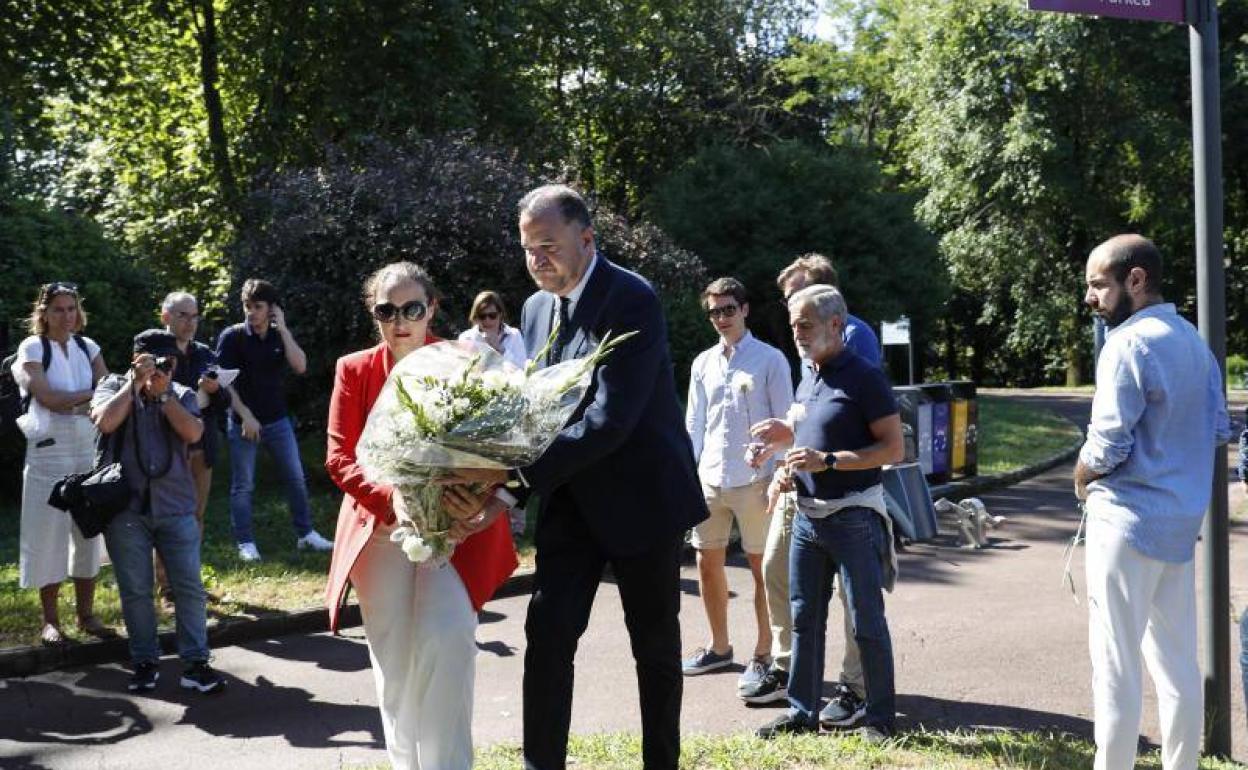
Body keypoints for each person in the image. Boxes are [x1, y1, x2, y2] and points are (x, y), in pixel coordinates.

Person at [447, 184, 708, 770]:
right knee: (548, 637)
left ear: (586, 239)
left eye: (548, 245)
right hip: (571, 501)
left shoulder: (632, 298)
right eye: (527, 249)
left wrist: (514, 485)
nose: (537, 260)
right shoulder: (536, 309)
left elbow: (609, 420)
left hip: (644, 500)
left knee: (655, 651)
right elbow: (537, 408)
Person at [323, 261, 517, 770]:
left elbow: (502, 449)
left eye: (411, 308)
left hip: (454, 533)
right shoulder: (354, 369)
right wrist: (394, 500)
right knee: (395, 666)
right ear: (374, 313)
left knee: (449, 647)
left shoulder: (469, 361)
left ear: (431, 307)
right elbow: (339, 457)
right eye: (386, 310)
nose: (399, 320)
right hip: (381, 532)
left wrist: (473, 492)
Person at [1074, 234, 1230, 770]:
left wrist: (1080, 475)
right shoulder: (1193, 341)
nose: (1090, 298)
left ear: (1134, 280)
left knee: (1115, 665)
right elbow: (1217, 431)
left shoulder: (1127, 343)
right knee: (1178, 665)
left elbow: (1108, 444)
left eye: (1098, 284)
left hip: (1124, 522)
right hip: (1179, 527)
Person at [752, 284, 902, 743]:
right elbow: (810, 429)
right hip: (807, 515)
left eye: (805, 325)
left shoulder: (864, 376)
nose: (796, 333)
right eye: (793, 324)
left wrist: (830, 461)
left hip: (853, 517)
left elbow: (892, 449)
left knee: (865, 618)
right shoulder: (810, 374)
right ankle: (801, 711)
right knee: (804, 617)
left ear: (835, 325)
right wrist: (783, 443)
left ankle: (879, 719)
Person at [91, 330, 224, 693]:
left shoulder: (179, 393)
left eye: (165, 363)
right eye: (150, 361)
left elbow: (193, 432)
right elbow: (104, 421)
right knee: (135, 591)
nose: (158, 369)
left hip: (176, 506)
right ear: (134, 359)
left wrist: (163, 394)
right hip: (126, 509)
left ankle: (196, 663)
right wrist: (133, 386)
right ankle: (144, 661)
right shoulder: (112, 387)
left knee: (189, 588)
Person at [682, 277, 792, 698]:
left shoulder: (770, 360)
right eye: (714, 311)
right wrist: (686, 475)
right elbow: (694, 424)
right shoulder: (703, 362)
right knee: (707, 564)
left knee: (763, 571)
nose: (722, 318)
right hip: (711, 478)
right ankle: (719, 647)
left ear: (745, 310)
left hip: (757, 481)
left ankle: (764, 653)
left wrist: (781, 478)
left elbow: (785, 422)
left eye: (729, 309)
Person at [13, 281, 113, 646]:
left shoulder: (89, 346)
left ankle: (87, 616)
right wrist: (89, 396)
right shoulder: (32, 348)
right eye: (58, 309)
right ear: (44, 313)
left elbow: (110, 392)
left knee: (88, 531)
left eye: (71, 308)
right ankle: (50, 621)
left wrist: (87, 399)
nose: (66, 316)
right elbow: (50, 398)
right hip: (48, 451)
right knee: (48, 533)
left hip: (88, 447)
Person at [215, 278, 332, 561]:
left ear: (271, 309)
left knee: (295, 478)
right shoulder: (232, 337)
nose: (251, 312)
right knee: (243, 485)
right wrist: (245, 416)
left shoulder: (280, 336)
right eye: (247, 306)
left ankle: (306, 535)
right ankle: (246, 543)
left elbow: (300, 366)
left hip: (278, 420)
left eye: (258, 307)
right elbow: (222, 381)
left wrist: (285, 328)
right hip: (244, 421)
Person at [155, 291, 229, 602]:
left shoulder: (205, 353)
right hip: (168, 449)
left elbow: (224, 400)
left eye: (194, 315)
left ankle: (190, 583)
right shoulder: (154, 350)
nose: (190, 322)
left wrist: (214, 390)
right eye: (183, 315)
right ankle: (167, 585)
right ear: (166, 317)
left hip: (202, 446)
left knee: (195, 517)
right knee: (166, 519)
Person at [457, 290, 528, 369]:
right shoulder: (467, 338)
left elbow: (523, 368)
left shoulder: (513, 334)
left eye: (492, 315)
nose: (487, 320)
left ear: (500, 314)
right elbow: (462, 370)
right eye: (482, 316)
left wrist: (500, 349)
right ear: (476, 317)